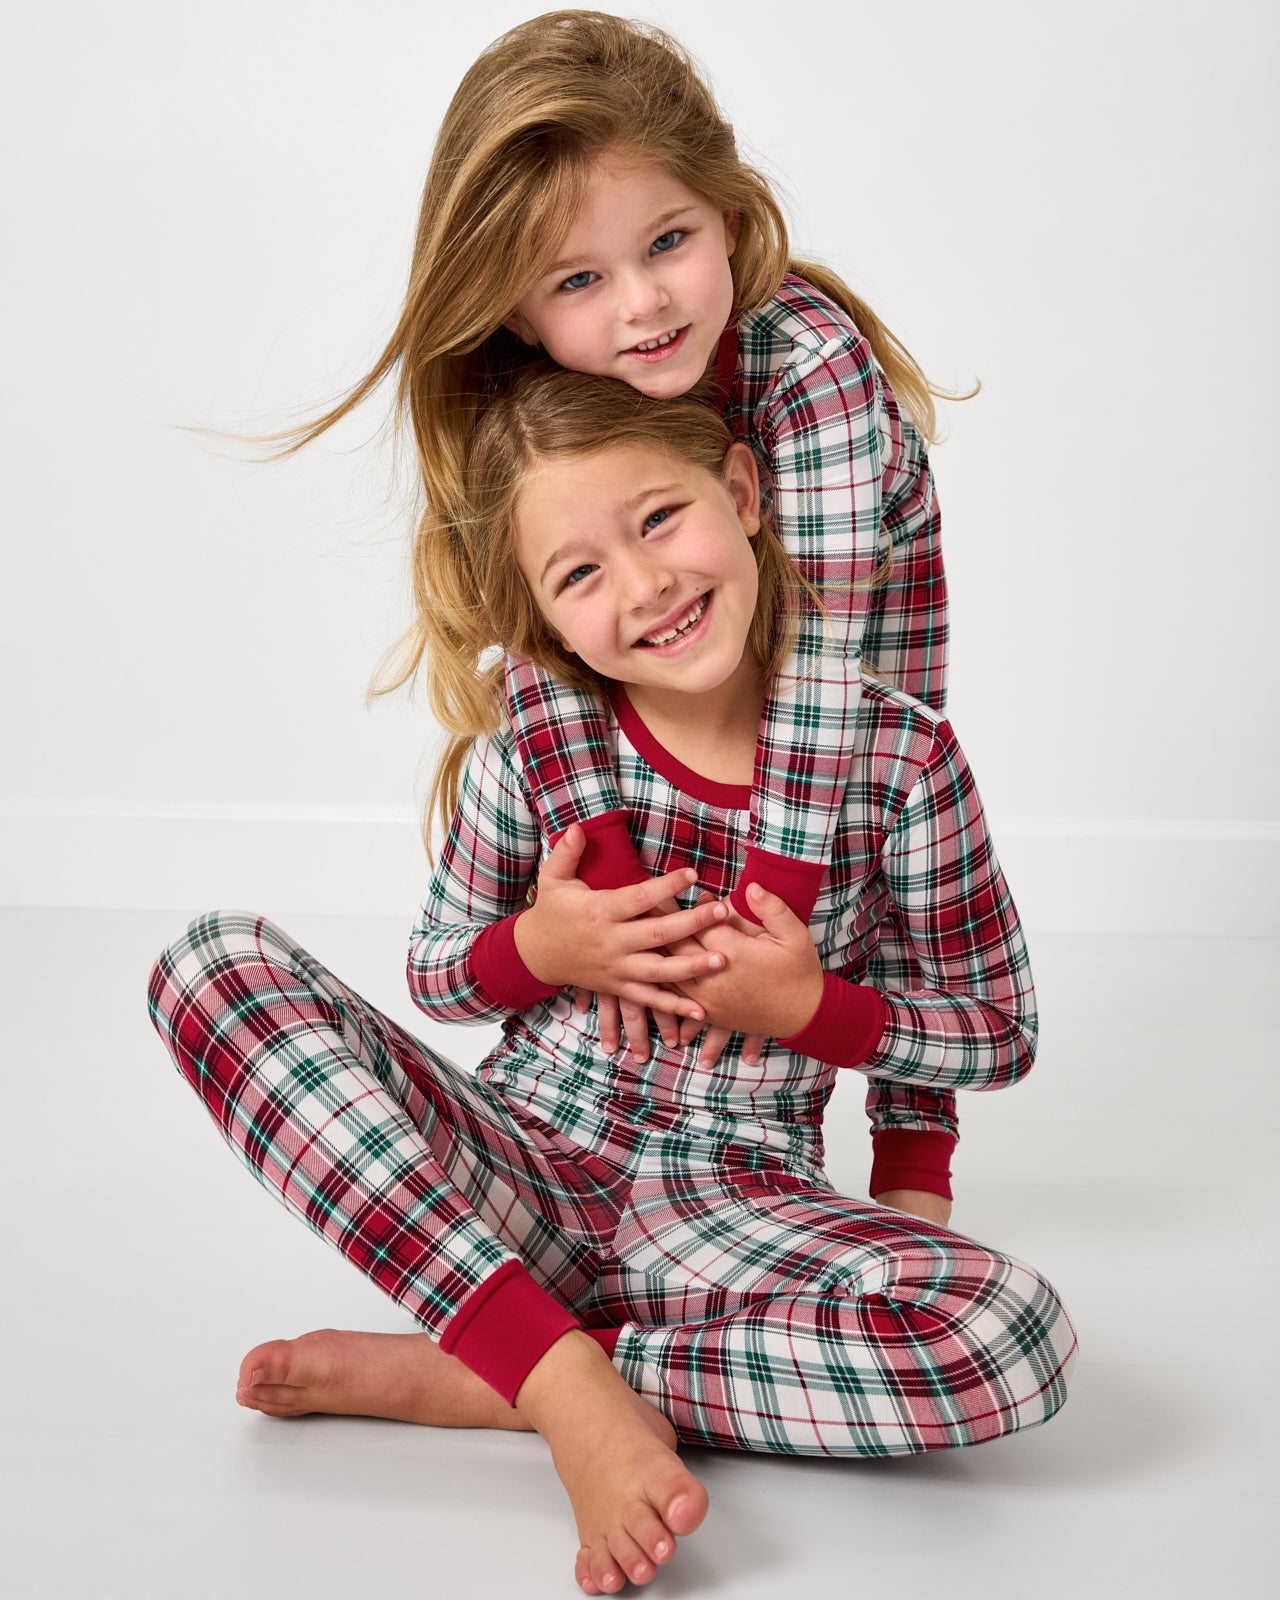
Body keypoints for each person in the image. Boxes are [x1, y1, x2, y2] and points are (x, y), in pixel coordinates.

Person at [149, 368, 1076, 1598]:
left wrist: (814, 1014)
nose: (643, 586)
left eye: (658, 519)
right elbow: (437, 971)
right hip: (526, 1154)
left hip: (725, 1192)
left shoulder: (894, 756)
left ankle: (505, 1370)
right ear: (544, 617)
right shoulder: (529, 753)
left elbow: (994, 1032)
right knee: (207, 963)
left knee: (1010, 1339)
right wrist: (542, 949)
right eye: (579, 572)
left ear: (739, 491)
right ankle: (558, 1379)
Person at [257, 11, 962, 1199]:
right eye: (579, 279)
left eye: (668, 242)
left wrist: (752, 940)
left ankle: (912, 1148)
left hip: (842, 657)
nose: (641, 306)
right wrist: (622, 910)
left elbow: (832, 674)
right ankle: (562, 1256)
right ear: (517, 314)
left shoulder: (809, 367)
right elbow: (544, 664)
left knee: (888, 846)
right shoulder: (535, 402)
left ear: (727, 213)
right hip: (665, 704)